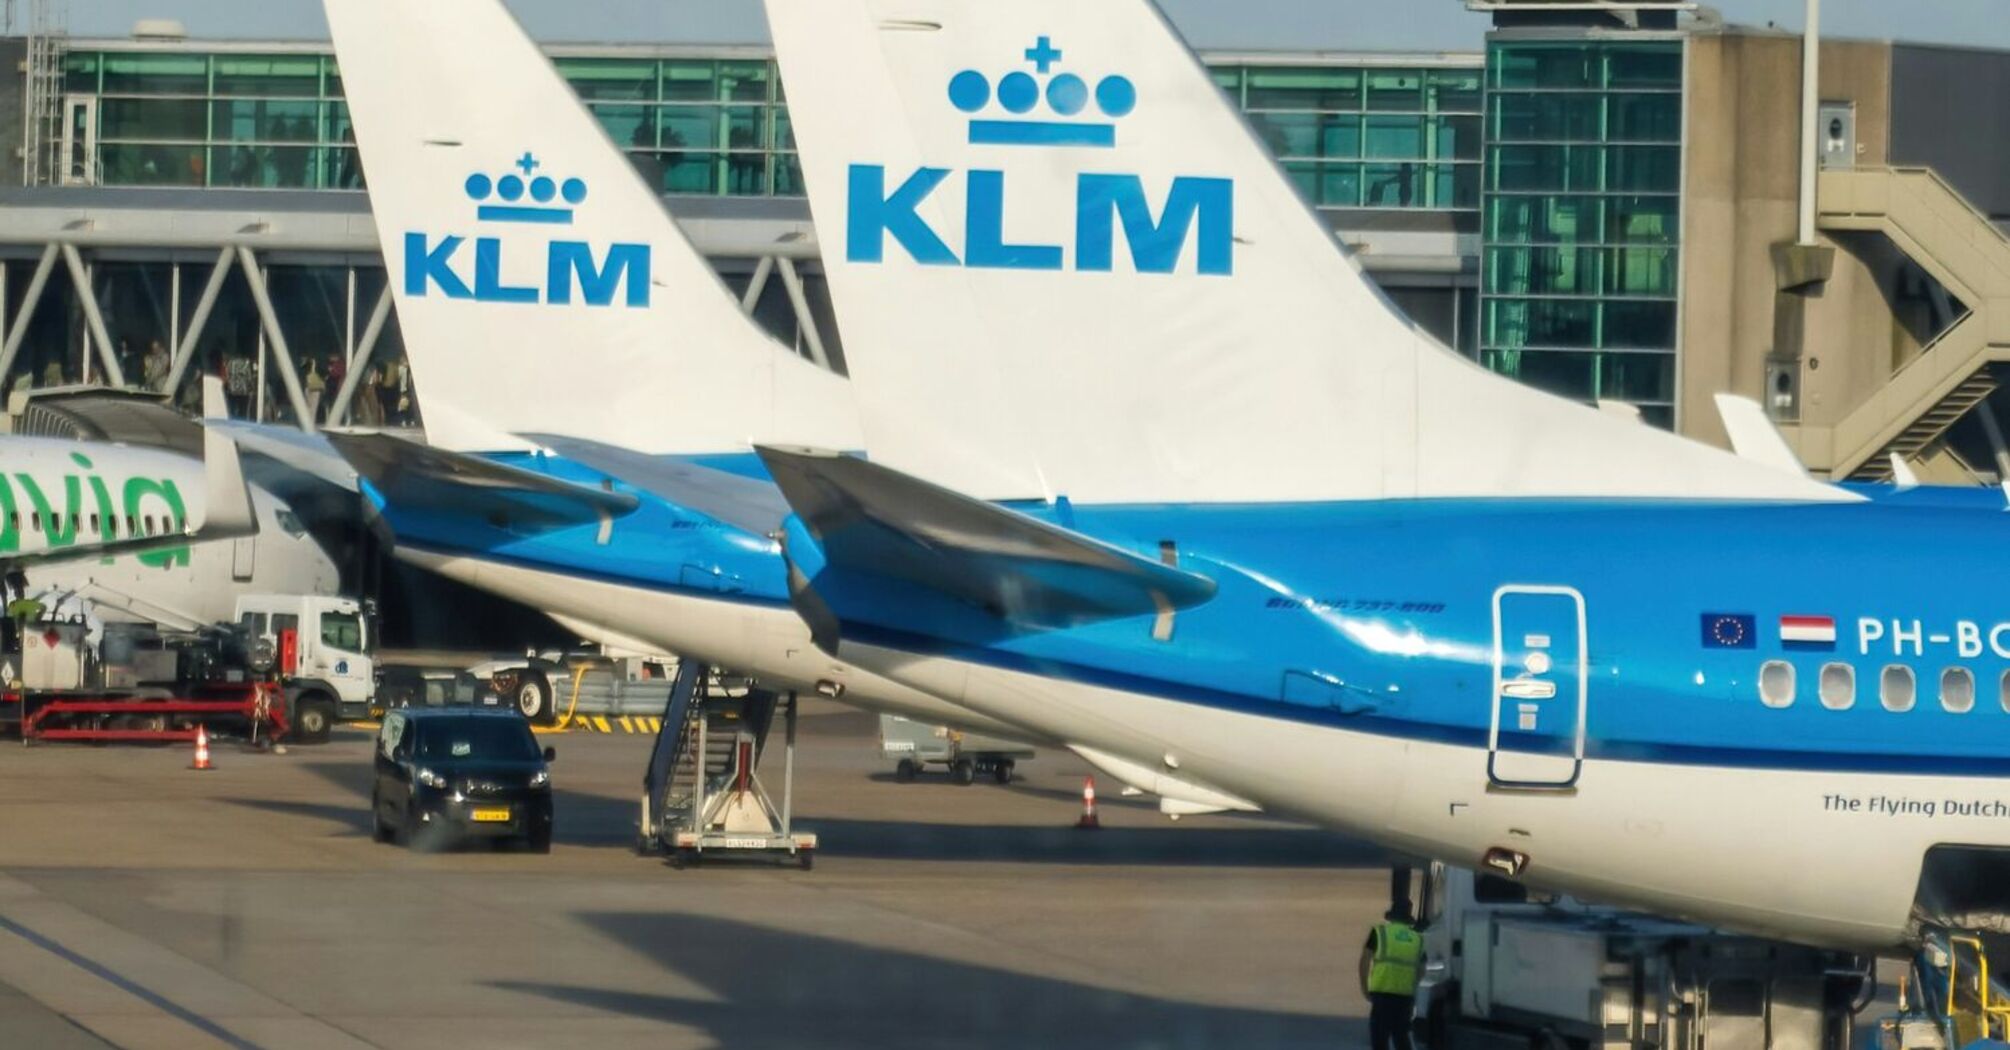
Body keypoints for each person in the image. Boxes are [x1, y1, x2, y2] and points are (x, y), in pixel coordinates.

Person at [1360, 901, 1421, 1050]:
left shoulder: (1379, 933)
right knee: (1401, 1038)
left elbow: (1364, 961)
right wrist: (1412, 988)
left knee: (1380, 1040)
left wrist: (1365, 988)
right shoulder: (1417, 939)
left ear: (1391, 917)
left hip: (1382, 994)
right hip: (1405, 997)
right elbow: (1422, 970)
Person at [302, 356, 325, 423]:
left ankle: (308, 422)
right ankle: (310, 422)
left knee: (309, 406)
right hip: (313, 388)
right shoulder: (318, 368)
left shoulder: (306, 367)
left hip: (310, 387)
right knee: (312, 407)